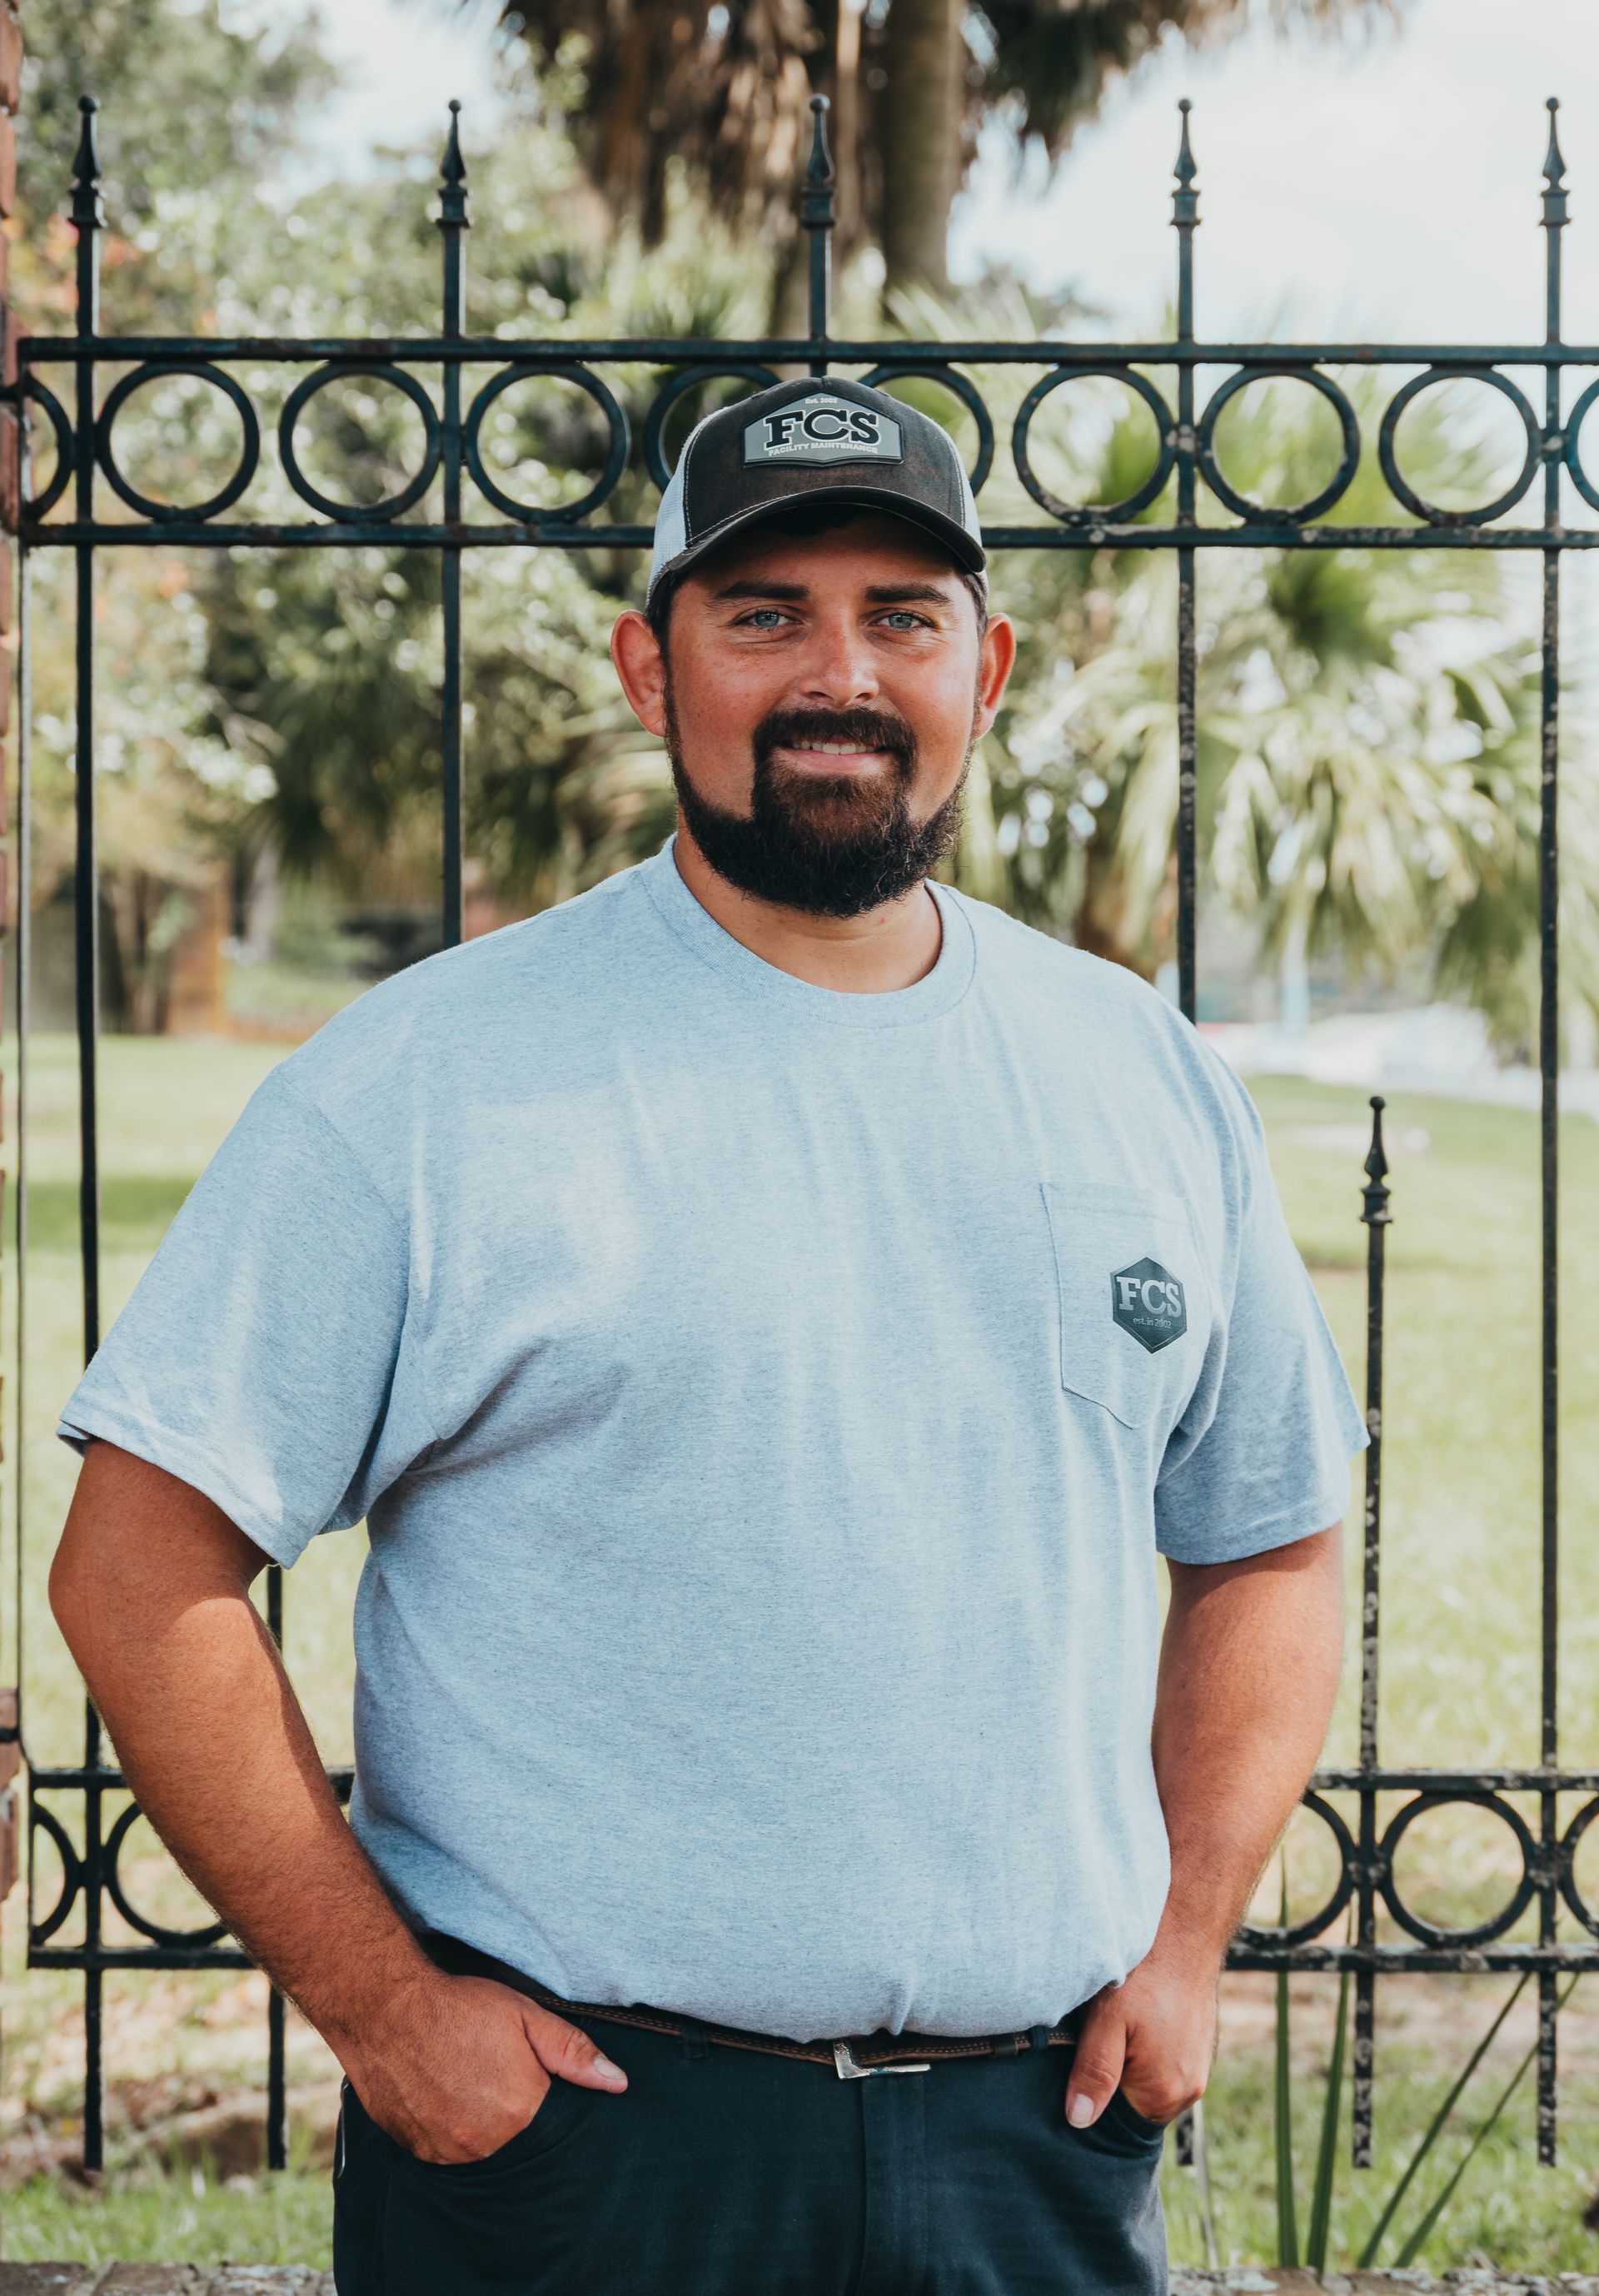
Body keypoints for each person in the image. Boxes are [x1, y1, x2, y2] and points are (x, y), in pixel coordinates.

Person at [50, 376, 1364, 2296]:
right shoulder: (427, 1082)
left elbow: (1269, 1534)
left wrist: (1182, 1944)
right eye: (764, 614)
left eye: (900, 614)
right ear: (650, 670)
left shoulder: (1140, 1075)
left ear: (984, 666)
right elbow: (136, 1563)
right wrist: (390, 2016)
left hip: (1037, 2153)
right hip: (579, 2162)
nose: (840, 671)